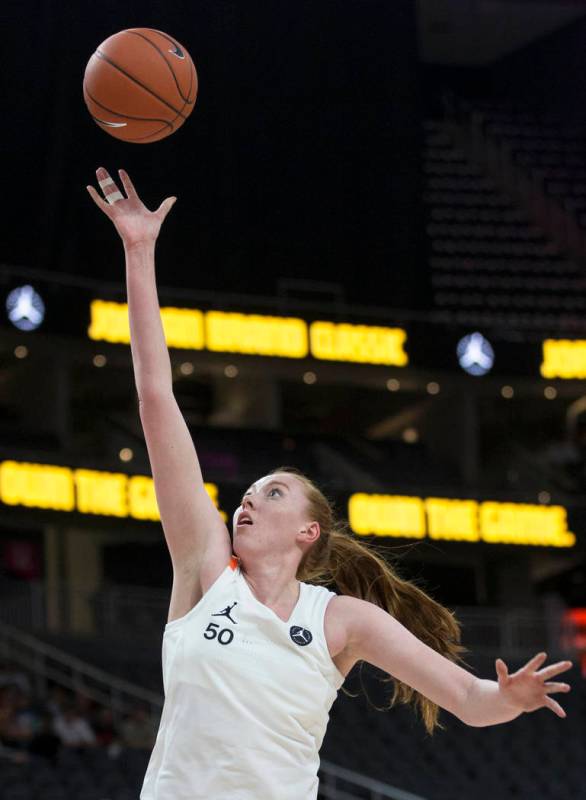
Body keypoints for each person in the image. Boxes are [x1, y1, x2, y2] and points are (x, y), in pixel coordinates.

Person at [87, 168, 573, 800]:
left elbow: (469, 701)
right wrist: (138, 251)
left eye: (272, 492)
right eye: (249, 492)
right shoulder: (206, 568)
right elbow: (156, 399)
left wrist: (510, 698)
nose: (248, 499)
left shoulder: (341, 619)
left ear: (308, 532)